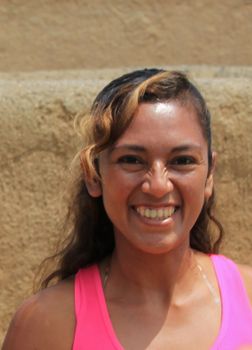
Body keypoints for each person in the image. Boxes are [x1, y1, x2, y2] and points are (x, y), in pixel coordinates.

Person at [2, 69, 252, 350]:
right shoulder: (47, 324)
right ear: (93, 176)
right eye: (132, 160)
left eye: (182, 160)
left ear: (209, 175)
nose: (157, 186)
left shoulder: (249, 298)